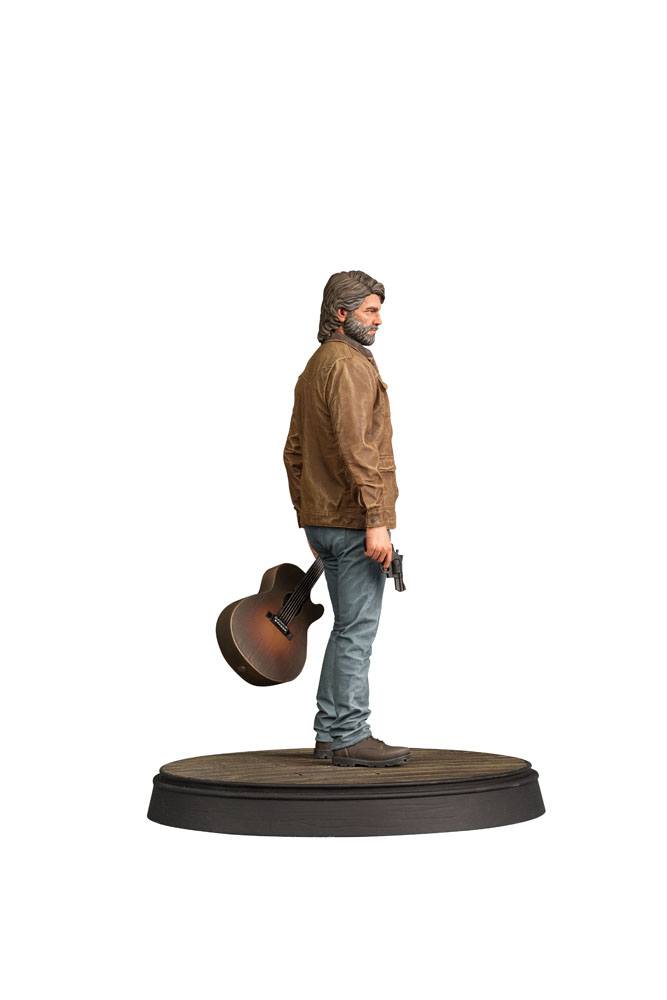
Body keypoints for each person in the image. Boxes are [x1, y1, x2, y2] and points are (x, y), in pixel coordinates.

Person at [282, 270, 410, 768]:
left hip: (325, 521)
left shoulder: (315, 366)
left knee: (344, 628)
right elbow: (359, 450)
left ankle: (330, 734)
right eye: (370, 311)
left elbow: (293, 452)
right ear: (341, 313)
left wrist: (308, 518)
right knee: (357, 630)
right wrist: (377, 520)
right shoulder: (349, 366)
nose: (379, 320)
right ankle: (351, 735)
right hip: (354, 522)